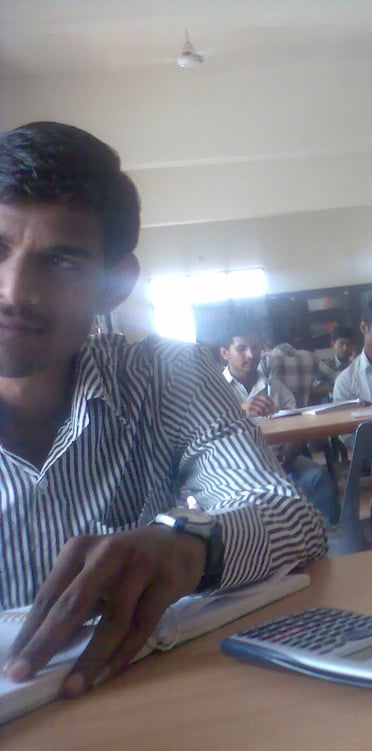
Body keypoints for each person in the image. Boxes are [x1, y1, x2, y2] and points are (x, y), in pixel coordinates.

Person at [0, 122, 326, 696]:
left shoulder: (163, 376)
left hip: (135, 701)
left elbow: (293, 518)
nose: (13, 292)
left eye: (62, 262)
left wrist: (188, 545)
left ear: (114, 285)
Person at [219, 325, 339, 526]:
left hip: (280, 463)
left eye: (255, 347)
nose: (251, 354)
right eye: (241, 348)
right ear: (224, 353)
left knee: (317, 477)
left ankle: (331, 536)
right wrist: (240, 411)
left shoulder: (275, 388)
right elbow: (205, 434)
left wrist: (293, 446)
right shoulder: (214, 391)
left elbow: (296, 426)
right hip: (235, 469)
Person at [264, 337, 336, 406]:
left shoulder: (266, 359)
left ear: (268, 346)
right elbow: (334, 377)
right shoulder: (310, 356)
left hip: (275, 413)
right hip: (303, 411)